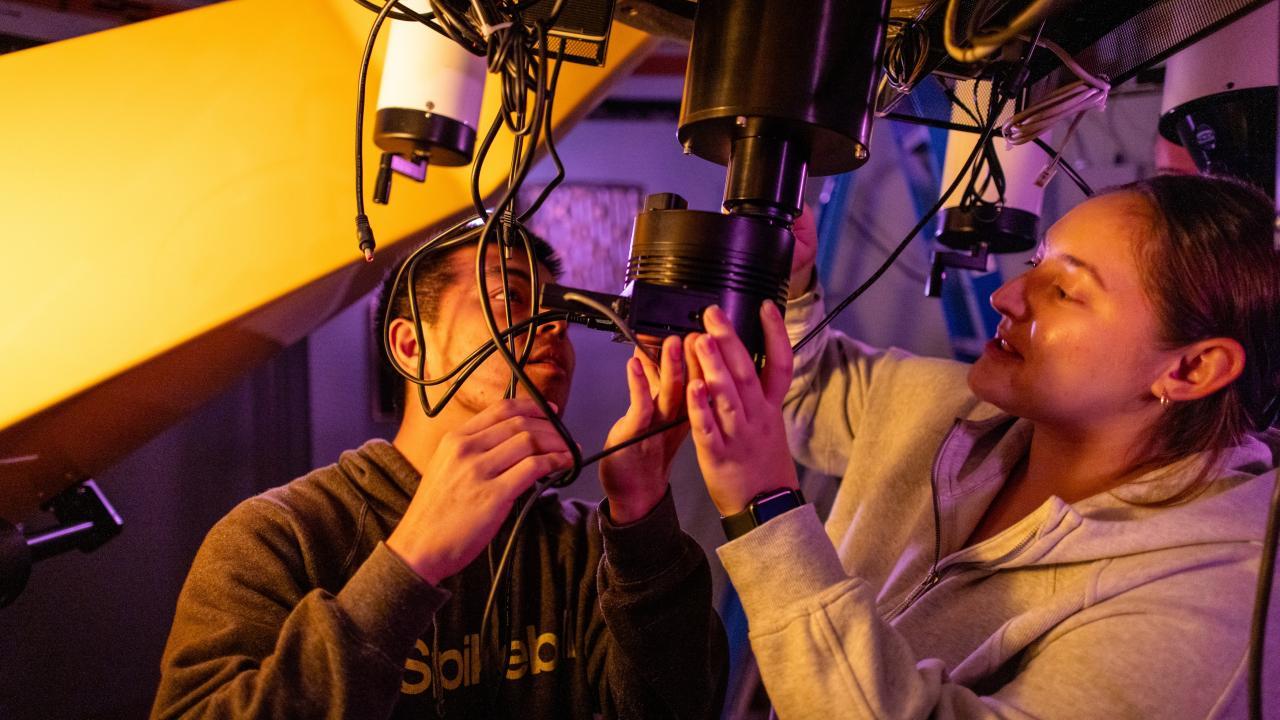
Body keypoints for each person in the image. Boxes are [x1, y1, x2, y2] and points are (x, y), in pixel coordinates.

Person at [681, 174, 1280, 718]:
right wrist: (788, 277)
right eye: (1037, 263)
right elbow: (800, 395)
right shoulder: (947, 410)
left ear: (1193, 369)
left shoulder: (1210, 606)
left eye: (1066, 290)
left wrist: (767, 511)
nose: (1008, 296)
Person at [151, 222, 727, 719]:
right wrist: (410, 564)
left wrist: (642, 514)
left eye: (558, 312)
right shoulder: (281, 536)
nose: (551, 326)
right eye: (511, 299)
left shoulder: (585, 549)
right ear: (409, 346)